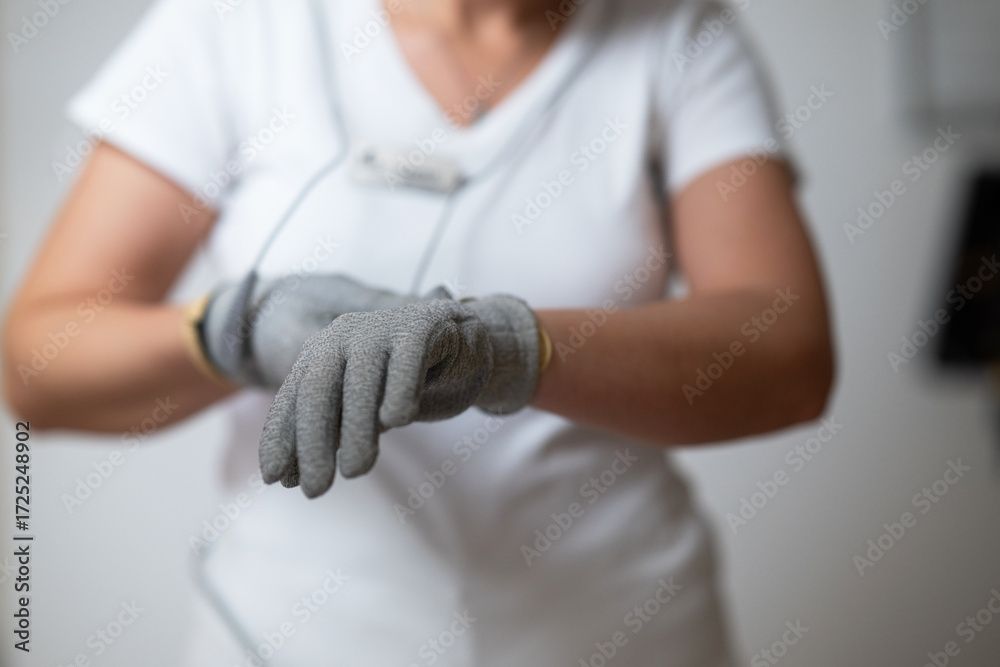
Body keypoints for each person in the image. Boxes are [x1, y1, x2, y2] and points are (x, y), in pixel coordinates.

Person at [1, 0, 834, 663]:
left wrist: (509, 347)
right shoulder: (238, 24)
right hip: (288, 639)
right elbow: (38, 364)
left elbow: (786, 349)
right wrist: (234, 330)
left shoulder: (675, 33)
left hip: (621, 631)